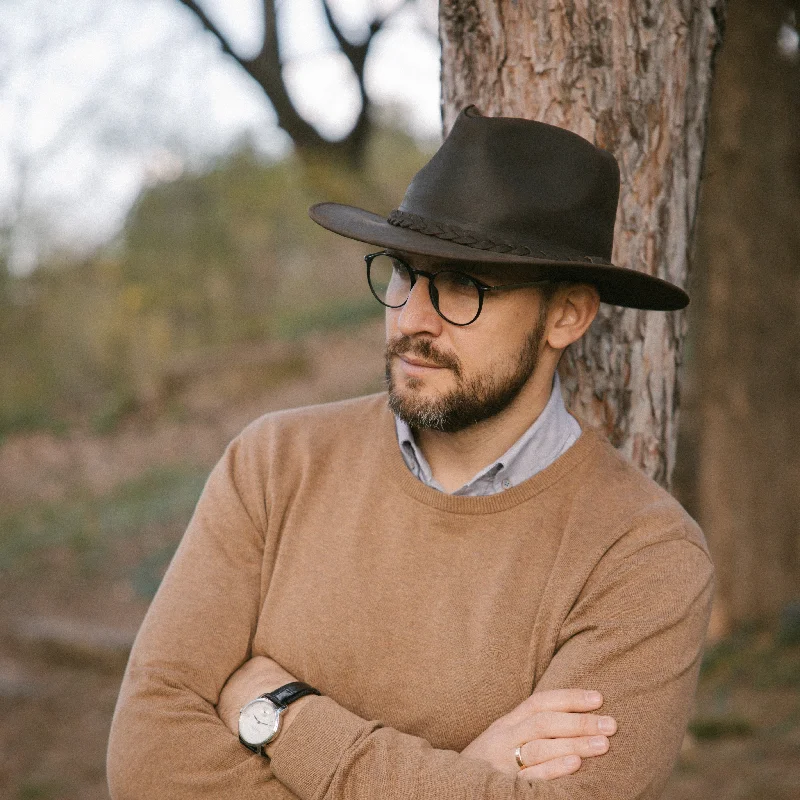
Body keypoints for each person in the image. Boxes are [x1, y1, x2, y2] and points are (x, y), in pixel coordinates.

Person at [107, 106, 713, 800]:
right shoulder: (275, 465)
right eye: (404, 272)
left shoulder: (644, 555)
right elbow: (147, 763)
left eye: (465, 286)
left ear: (567, 315)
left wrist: (279, 713)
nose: (414, 319)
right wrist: (471, 769)